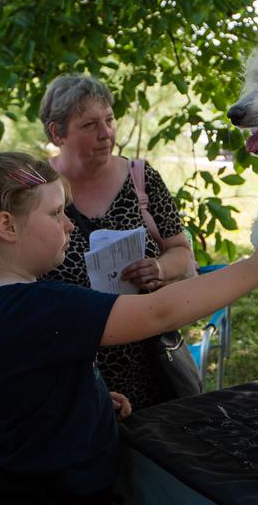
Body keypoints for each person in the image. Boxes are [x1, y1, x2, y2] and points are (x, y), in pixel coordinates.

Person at [0, 151, 258, 505]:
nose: (70, 224)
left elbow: (25, 383)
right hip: (49, 493)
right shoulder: (40, 306)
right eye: (56, 212)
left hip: (16, 474)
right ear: (7, 226)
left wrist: (82, 398)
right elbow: (159, 312)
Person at [39, 74, 195, 409]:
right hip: (68, 361)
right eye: (90, 125)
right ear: (57, 132)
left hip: (147, 356)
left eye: (109, 120)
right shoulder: (36, 187)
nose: (106, 133)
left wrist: (158, 267)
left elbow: (181, 251)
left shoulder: (141, 178)